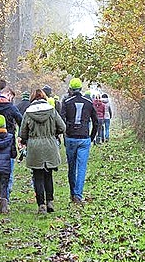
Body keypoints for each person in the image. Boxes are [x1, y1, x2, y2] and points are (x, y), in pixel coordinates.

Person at [20, 88, 66, 213]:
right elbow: (62, 127)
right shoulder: (52, 111)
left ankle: (41, 204)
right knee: (48, 175)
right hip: (50, 145)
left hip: (34, 146)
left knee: (37, 176)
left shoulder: (28, 112)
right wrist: (53, 133)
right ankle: (50, 201)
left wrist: (25, 140)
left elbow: (23, 132)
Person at [60, 78, 101, 207]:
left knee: (71, 167)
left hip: (71, 137)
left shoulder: (66, 102)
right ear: (81, 89)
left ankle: (73, 193)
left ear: (71, 89)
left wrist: (65, 133)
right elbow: (96, 122)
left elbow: (61, 120)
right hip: (84, 138)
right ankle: (78, 195)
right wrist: (92, 136)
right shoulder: (89, 103)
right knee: (81, 168)